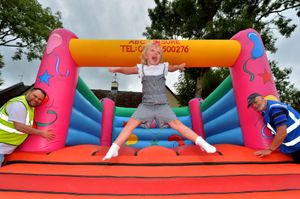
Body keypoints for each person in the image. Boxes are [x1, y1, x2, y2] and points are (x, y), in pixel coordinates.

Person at [103, 41, 216, 160]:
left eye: (158, 52)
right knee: (131, 124)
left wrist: (178, 67)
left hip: (162, 105)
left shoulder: (162, 67)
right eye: (152, 51)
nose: (156, 53)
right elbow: (128, 70)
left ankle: (202, 143)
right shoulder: (142, 68)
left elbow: (171, 68)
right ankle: (114, 147)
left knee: (177, 124)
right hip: (146, 105)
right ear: (146, 55)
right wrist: (116, 69)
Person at [0, 87, 55, 166]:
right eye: (35, 96)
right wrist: (41, 133)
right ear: (29, 92)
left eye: (39, 99)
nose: (36, 100)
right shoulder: (19, 105)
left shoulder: (29, 106)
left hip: (4, 147)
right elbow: (19, 127)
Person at [247, 92, 300, 163]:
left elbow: (282, 132)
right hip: (294, 147)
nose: (254, 106)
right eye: (252, 105)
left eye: (255, 102)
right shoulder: (266, 111)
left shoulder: (275, 109)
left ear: (263, 98)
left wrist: (270, 149)